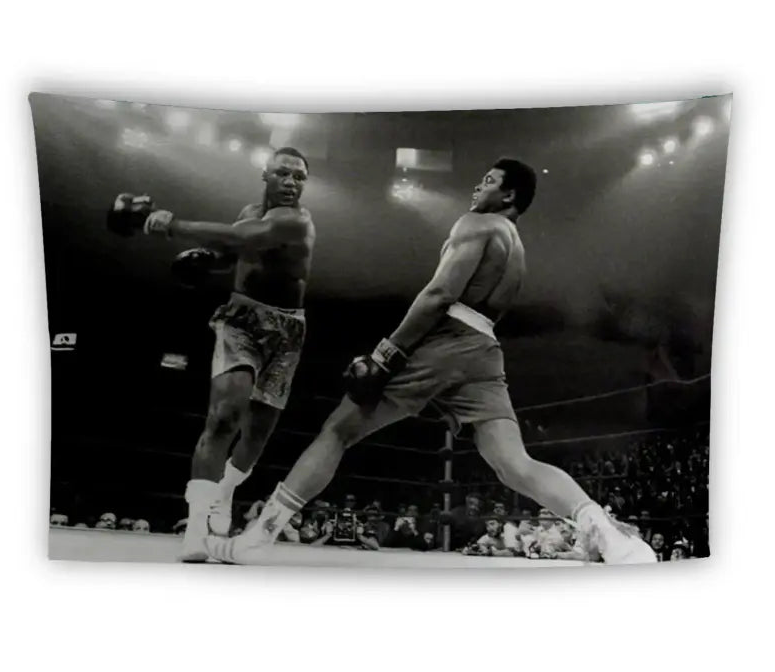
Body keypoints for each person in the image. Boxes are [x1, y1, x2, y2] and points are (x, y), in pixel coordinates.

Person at [206, 157, 654, 565]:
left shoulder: (476, 224)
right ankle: (612, 538)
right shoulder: (515, 245)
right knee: (513, 464)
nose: (478, 186)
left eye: (489, 180)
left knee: (339, 430)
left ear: (510, 194)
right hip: (483, 352)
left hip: (445, 340)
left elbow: (439, 294)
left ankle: (257, 537)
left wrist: (387, 352)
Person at [127, 147, 315, 561]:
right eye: (282, 173)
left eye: (299, 177)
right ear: (264, 175)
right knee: (225, 417)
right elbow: (232, 252)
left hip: (287, 329)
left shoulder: (295, 221)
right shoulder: (252, 210)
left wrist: (174, 225)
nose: (291, 182)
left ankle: (224, 493)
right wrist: (207, 262)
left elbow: (246, 239)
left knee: (257, 433)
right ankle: (194, 532)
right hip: (241, 319)